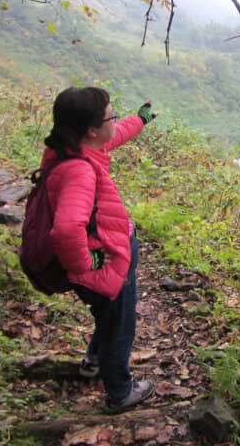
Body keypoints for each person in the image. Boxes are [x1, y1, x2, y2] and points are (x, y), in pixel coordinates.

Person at [41, 86, 157, 413]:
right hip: (104, 266)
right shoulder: (78, 169)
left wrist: (141, 119)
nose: (115, 119)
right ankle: (120, 393)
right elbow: (66, 229)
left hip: (100, 262)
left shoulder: (73, 148)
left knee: (106, 317)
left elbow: (115, 134)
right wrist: (87, 262)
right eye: (111, 114)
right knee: (120, 326)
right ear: (92, 130)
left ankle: (92, 361)